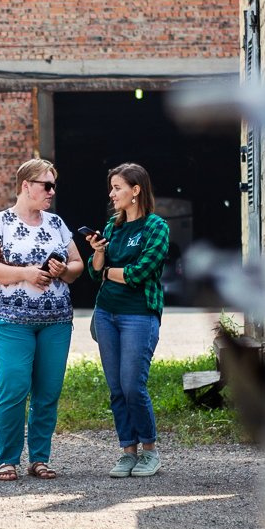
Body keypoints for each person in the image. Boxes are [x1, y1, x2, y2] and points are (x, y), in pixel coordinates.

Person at [0, 158, 84, 482]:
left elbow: (78, 264)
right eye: (46, 185)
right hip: (13, 321)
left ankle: (39, 458)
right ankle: (7, 459)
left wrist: (64, 271)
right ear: (26, 186)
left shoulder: (56, 224)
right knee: (15, 386)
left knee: (48, 391)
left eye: (53, 185)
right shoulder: (0, 223)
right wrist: (25, 273)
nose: (51, 191)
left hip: (56, 322)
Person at [84, 162, 170, 478]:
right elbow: (95, 273)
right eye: (112, 187)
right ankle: (127, 451)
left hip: (139, 315)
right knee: (116, 387)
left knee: (133, 385)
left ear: (135, 191)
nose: (112, 193)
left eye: (117, 187)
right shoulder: (111, 228)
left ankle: (149, 451)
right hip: (106, 313)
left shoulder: (156, 227)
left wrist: (109, 272)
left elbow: (139, 274)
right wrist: (98, 252)